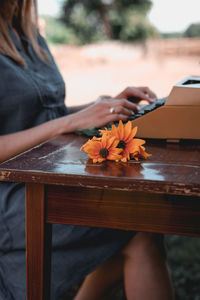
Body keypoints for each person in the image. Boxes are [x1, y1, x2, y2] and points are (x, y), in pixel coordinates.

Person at [0, 1, 174, 299]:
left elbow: (44, 112)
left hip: (47, 176)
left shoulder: (28, 33)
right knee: (138, 228)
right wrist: (71, 121)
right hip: (13, 193)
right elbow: (56, 123)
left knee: (137, 226)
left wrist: (103, 106)